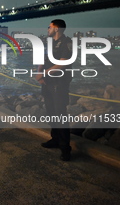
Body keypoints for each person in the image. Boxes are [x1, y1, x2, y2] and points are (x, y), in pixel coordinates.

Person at [36, 19, 73, 161]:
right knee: (51, 112)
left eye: (49, 27)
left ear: (57, 28)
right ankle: (55, 140)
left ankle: (65, 149)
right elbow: (43, 59)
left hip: (60, 83)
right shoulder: (49, 43)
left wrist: (44, 73)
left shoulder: (67, 43)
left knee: (60, 114)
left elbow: (63, 62)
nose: (47, 29)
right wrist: (39, 74)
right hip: (47, 83)